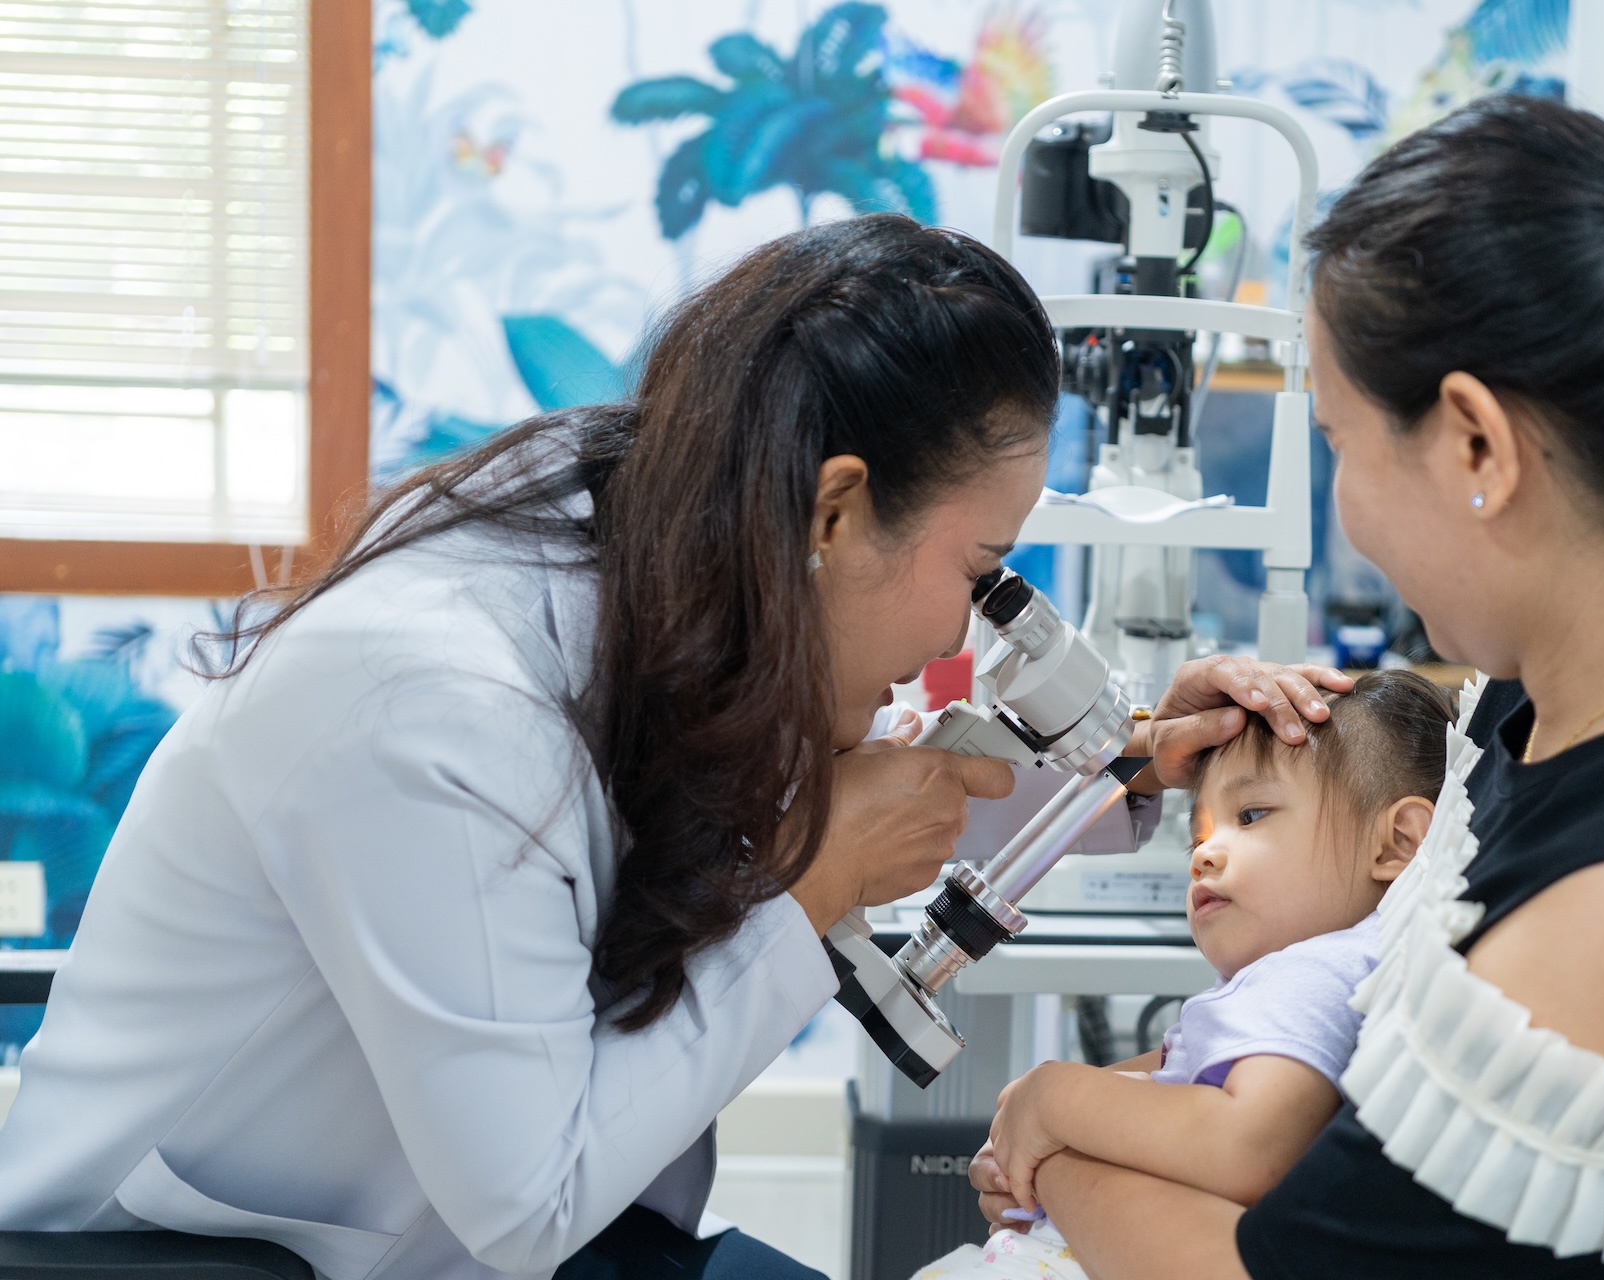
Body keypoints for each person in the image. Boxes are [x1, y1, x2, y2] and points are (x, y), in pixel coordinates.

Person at [0, 214, 1343, 1280]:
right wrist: (815, 888)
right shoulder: (431, 705)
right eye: (981, 567)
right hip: (197, 1258)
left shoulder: (674, 556)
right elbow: (532, 1204)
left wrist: (1143, 764)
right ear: (837, 509)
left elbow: (896, 791)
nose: (975, 621)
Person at [977, 96, 1604, 1278]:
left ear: (1476, 444)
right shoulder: (1525, 713)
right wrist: (1158, 750)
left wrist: (1046, 1136)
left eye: (1336, 440)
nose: (1347, 514)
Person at [918, 671, 1456, 1280]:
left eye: (1252, 814)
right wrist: (1027, 1126)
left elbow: (1247, 1145)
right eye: (1198, 835)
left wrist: (1053, 1102)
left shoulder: (1314, 972)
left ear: (1398, 842)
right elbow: (1185, 1076)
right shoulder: (1317, 979)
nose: (1204, 853)